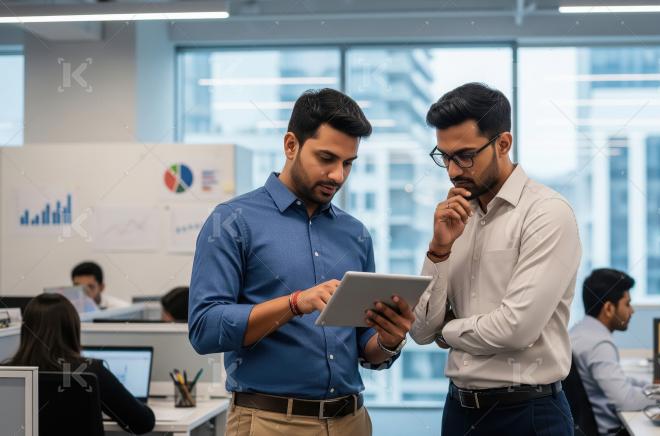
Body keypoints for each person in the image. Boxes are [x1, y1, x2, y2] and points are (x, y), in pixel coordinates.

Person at [189, 88, 415, 436]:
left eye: (348, 163)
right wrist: (294, 304)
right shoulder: (232, 221)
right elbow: (205, 328)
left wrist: (387, 340)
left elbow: (364, 345)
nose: (338, 175)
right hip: (272, 423)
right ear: (291, 145)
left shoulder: (355, 233)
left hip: (351, 421)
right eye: (326, 158)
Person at [409, 82, 582, 435]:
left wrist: (450, 330)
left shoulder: (547, 214)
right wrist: (439, 249)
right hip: (458, 411)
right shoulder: (454, 217)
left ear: (503, 144)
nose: (454, 170)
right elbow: (421, 329)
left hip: (528, 413)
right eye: (444, 157)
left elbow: (517, 327)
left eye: (465, 155)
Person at [4, 293, 155, 434]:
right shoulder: (89, 372)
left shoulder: (7, 374)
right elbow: (142, 423)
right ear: (72, 329)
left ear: (26, 329)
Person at [570, 268, 656, 435]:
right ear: (609, 308)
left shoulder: (580, 332)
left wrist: (657, 387)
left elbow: (620, 380)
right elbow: (627, 401)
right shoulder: (599, 344)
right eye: (627, 304)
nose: (632, 311)